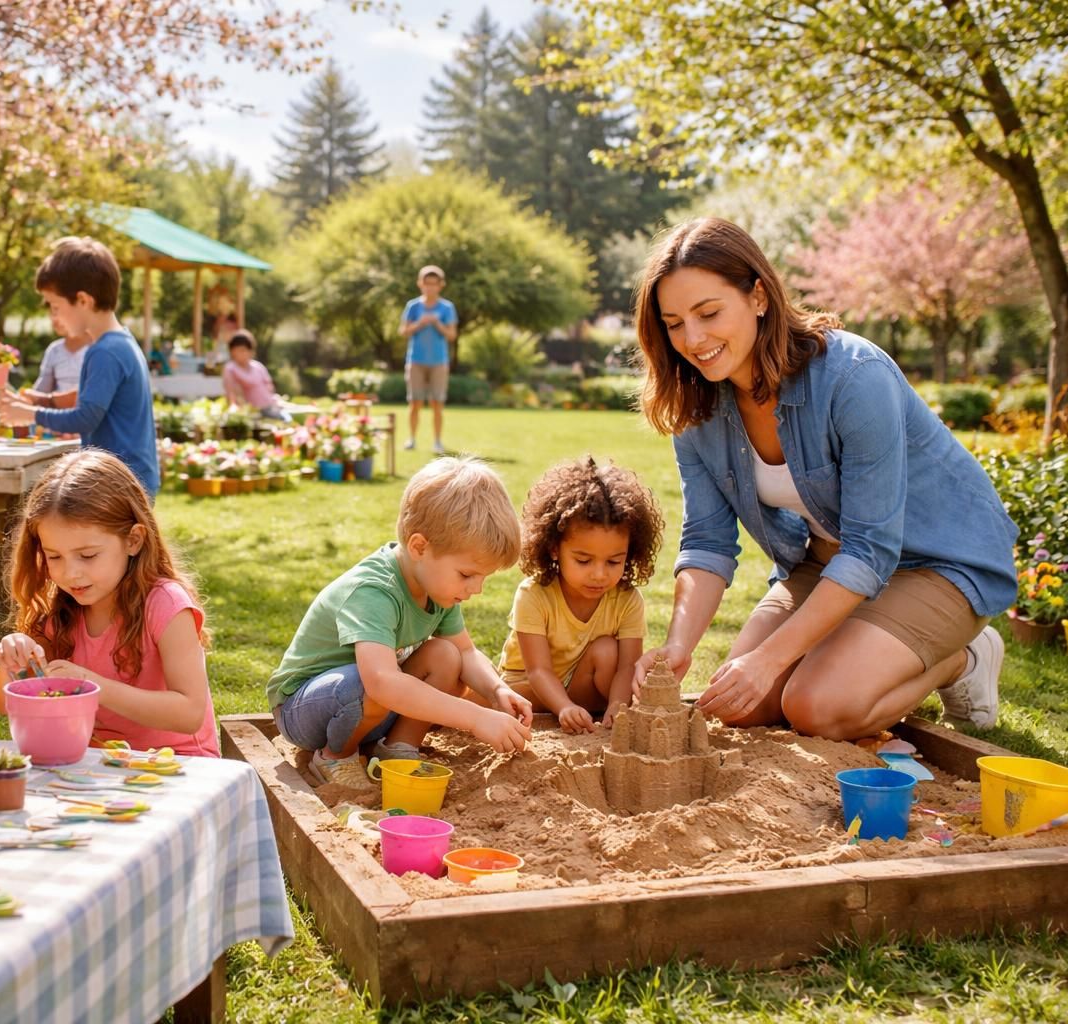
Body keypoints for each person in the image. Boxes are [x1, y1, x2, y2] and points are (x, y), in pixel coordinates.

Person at [632, 217, 1017, 740]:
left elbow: (872, 548)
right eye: (674, 323)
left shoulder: (855, 376)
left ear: (760, 297)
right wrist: (678, 646)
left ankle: (961, 660)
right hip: (829, 562)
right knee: (741, 705)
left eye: (709, 313)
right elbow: (706, 542)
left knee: (816, 707)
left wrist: (770, 658)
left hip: (935, 563)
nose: (693, 339)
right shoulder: (698, 407)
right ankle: (862, 653)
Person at [266, 457, 532, 791]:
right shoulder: (374, 591)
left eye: (483, 577)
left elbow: (465, 652)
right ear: (420, 546)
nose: (476, 588)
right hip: (305, 712)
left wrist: (497, 690)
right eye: (467, 574)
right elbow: (381, 683)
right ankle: (335, 756)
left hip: (369, 707)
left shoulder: (437, 589)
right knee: (373, 681)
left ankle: (397, 748)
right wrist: (475, 717)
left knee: (445, 655)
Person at [0, 450, 218, 756]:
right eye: (54, 556)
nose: (70, 573)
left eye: (88, 555)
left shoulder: (165, 604)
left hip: (178, 765)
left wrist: (90, 685)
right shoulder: (61, 609)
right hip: (96, 765)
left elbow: (189, 713)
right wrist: (12, 666)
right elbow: (3, 703)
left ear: (133, 540)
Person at [496, 456, 662, 734]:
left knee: (608, 651)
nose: (599, 574)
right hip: (529, 690)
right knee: (485, 698)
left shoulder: (627, 600)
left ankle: (599, 710)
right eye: (584, 561)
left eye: (613, 562)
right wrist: (563, 707)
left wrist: (618, 705)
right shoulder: (534, 595)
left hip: (582, 687)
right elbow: (538, 671)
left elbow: (626, 668)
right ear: (553, 549)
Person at [0, 238, 160, 497]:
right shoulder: (119, 343)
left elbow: (85, 418)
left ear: (83, 301)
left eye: (56, 306)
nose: (55, 316)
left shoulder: (105, 351)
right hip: (126, 481)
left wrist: (30, 414)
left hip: (121, 486)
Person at [400, 265, 457, 454]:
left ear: (441, 285)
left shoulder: (447, 307)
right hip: (415, 360)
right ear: (420, 284)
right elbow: (403, 331)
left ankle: (438, 442)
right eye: (426, 284)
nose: (430, 288)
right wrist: (420, 323)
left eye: (434, 284)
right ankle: (412, 439)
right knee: (414, 403)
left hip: (439, 362)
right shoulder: (413, 306)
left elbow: (451, 335)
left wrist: (436, 323)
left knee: (436, 403)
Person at [221, 330, 291, 421]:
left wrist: (274, 400)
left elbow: (269, 386)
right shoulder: (231, 369)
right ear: (232, 352)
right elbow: (231, 393)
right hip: (254, 413)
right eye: (238, 351)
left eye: (244, 350)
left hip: (271, 406)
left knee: (290, 418)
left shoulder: (258, 367)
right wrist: (235, 408)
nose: (241, 354)